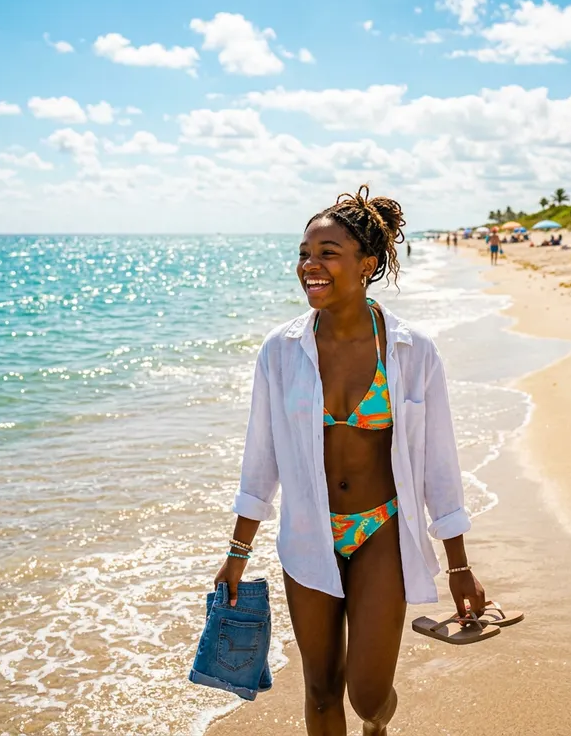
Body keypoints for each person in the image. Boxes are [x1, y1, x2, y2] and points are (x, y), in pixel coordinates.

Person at [215, 185, 485, 735]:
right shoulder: (280, 351)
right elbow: (259, 460)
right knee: (319, 690)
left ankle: (377, 724)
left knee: (366, 694)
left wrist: (459, 566)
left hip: (380, 529)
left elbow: (439, 465)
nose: (309, 266)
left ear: (368, 264)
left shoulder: (411, 352)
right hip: (307, 534)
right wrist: (237, 554)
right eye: (304, 253)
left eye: (327, 253)